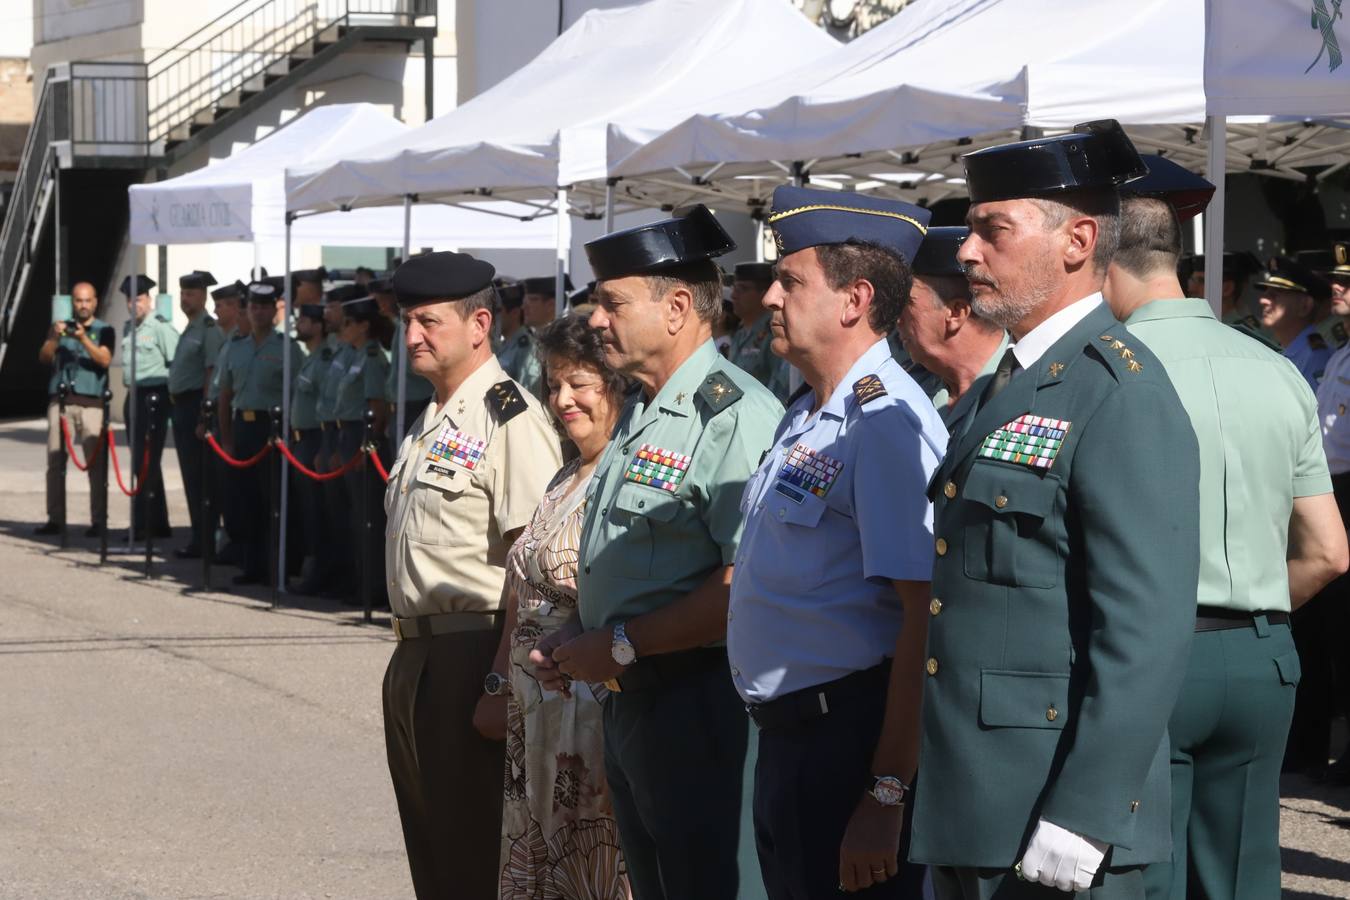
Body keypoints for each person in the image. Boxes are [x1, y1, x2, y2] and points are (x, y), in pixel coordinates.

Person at [909, 120, 1202, 899]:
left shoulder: (1118, 392)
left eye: (991, 231)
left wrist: (1084, 816)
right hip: (975, 806)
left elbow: (1145, 632)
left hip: (1053, 820)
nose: (966, 253)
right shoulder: (1010, 384)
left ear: (1076, 241)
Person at [1101, 155, 1349, 900]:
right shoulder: (1275, 368)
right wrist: (1258, 615)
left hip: (1148, 656)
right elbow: (1330, 552)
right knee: (1243, 877)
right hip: (1262, 654)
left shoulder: (1100, 369)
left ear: (1101, 259)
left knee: (1144, 875)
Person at [531, 205, 783, 900]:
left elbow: (743, 586)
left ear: (677, 308)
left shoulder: (731, 416)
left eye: (612, 303)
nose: (597, 322)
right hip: (634, 701)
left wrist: (615, 643)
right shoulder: (645, 407)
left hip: (698, 709)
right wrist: (583, 637)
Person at [728, 185, 945, 899]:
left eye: (790, 281)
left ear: (853, 300)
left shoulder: (882, 424)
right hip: (791, 742)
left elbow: (925, 616)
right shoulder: (813, 410)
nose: (767, 298)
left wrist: (886, 793)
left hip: (845, 746)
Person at [382, 251, 561, 900]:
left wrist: (497, 679)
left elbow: (533, 565)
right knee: (433, 850)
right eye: (407, 322)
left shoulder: (507, 416)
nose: (412, 338)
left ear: (479, 323)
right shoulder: (435, 415)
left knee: (474, 853)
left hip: (471, 653)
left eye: (428, 322)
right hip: (418, 654)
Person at [471, 314, 632, 899]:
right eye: (555, 384)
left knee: (588, 867)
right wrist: (497, 681)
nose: (563, 399)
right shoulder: (564, 475)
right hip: (530, 708)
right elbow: (522, 590)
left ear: (616, 384)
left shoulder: (625, 474)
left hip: (586, 713)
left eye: (580, 383)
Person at [1295, 240, 1350, 783]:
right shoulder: (1339, 353)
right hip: (1332, 493)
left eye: (1348, 282)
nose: (1337, 288)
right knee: (1332, 632)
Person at [217, 282, 303, 587]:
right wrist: (226, 437)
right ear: (248, 310)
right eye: (254, 307)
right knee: (246, 501)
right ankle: (252, 565)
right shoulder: (235, 346)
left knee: (274, 501)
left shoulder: (288, 348)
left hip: (272, 429)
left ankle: (277, 567)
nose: (259, 312)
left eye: (265, 307)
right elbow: (225, 394)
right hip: (242, 427)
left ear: (274, 311)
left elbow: (297, 393)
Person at [896, 227, 1009, 427]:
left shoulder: (1023, 386)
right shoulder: (905, 385)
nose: (897, 319)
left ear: (956, 313)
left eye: (907, 304)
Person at [37, 280, 114, 537]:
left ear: (95, 303)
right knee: (55, 461)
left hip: (91, 404)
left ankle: (98, 520)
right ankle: (55, 518)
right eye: (78, 300)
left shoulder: (105, 330)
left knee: (96, 464)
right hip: (61, 403)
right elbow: (45, 357)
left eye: (87, 300)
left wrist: (83, 338)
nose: (82, 305)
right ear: (73, 303)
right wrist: (55, 337)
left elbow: (104, 360)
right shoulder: (60, 328)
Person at [333, 293, 391, 607]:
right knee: (354, 516)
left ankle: (373, 587)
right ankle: (359, 580)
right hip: (347, 434)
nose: (341, 329)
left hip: (363, 436)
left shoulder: (371, 356)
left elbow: (377, 406)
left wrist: (369, 442)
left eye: (347, 324)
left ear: (363, 326)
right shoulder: (354, 354)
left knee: (367, 518)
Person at [167, 270, 224, 559]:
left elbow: (211, 373)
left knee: (201, 479)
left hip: (195, 408)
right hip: (181, 407)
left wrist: (204, 414)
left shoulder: (209, 329)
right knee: (191, 478)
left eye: (190, 294)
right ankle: (198, 536)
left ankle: (207, 539)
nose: (185, 299)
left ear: (203, 296)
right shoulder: (190, 328)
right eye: (183, 294)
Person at [121, 274, 178, 541]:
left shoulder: (160, 327)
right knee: (139, 463)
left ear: (149, 299)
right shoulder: (127, 328)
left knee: (147, 461)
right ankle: (155, 521)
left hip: (154, 396)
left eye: (140, 299)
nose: (135, 305)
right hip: (133, 395)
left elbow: (175, 361)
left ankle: (146, 524)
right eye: (131, 300)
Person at [288, 303, 329, 595]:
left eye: (304, 320)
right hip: (301, 439)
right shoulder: (310, 357)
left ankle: (319, 573)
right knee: (305, 509)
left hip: (316, 438)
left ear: (317, 326)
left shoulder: (326, 358)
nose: (298, 324)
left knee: (317, 512)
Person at [1256, 256, 1334, 389]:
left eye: (1275, 295)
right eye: (1266, 293)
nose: (1263, 300)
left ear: (1305, 306)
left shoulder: (1316, 357)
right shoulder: (1290, 349)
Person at [374, 276, 435, 444]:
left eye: (382, 300)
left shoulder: (410, 328)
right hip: (398, 407)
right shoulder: (400, 326)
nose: (381, 306)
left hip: (415, 405)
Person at [727, 261, 789, 399]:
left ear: (764, 293)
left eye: (742, 289)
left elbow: (779, 389)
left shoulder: (774, 332)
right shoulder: (740, 333)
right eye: (734, 288)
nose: (733, 296)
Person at [496, 277, 545, 397]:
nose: (492, 317)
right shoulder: (503, 345)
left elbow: (529, 391)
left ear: (514, 313)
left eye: (498, 311)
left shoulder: (527, 348)